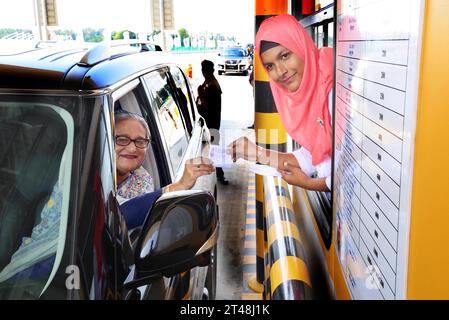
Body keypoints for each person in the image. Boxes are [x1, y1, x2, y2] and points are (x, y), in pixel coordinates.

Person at [229, 14, 334, 192]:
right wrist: (256, 153)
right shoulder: (308, 94)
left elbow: (358, 169)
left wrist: (309, 184)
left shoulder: (336, 89)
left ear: (301, 46)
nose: (281, 71)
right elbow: (314, 155)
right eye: (269, 66)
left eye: (285, 56)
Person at [115, 111, 215, 229]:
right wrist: (178, 186)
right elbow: (112, 222)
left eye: (140, 141)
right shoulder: (89, 177)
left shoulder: (142, 178)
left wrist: (181, 185)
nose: (132, 148)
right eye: (122, 139)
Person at [196, 59, 229, 185]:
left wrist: (200, 93)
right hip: (210, 123)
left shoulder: (212, 86)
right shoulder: (208, 82)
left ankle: (220, 175)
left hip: (212, 123)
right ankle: (218, 174)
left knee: (215, 149)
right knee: (212, 149)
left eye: (204, 70)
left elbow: (207, 105)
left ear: (205, 71)